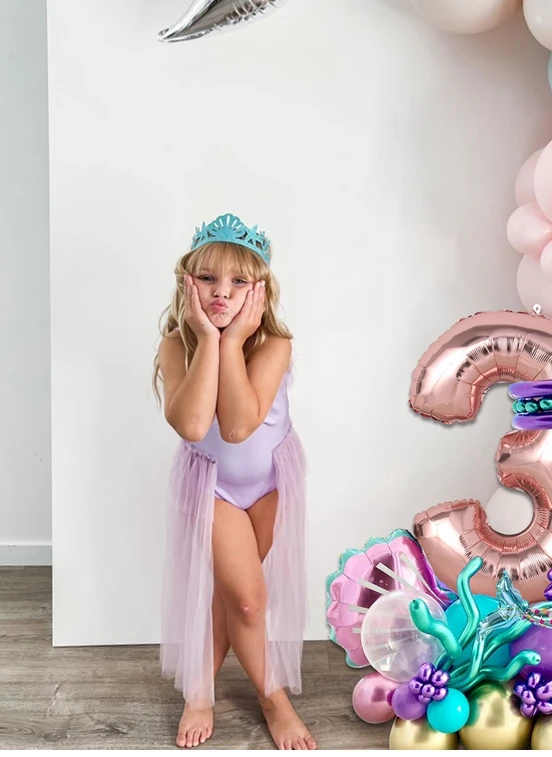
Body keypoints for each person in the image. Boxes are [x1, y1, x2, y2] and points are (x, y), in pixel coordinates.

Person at [152, 213, 315, 750]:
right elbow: (196, 425)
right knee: (246, 601)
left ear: (259, 290)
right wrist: (208, 338)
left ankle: (200, 692)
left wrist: (237, 338)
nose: (221, 292)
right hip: (213, 487)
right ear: (187, 284)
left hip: (270, 481)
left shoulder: (273, 346)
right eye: (208, 279)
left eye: (238, 281)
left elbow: (242, 424)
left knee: (230, 594)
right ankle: (273, 700)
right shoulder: (176, 346)